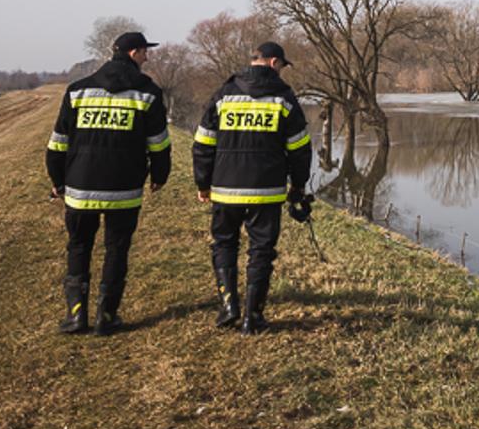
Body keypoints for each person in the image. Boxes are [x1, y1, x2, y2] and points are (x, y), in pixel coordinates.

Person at [45, 31, 172, 335]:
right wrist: (159, 176)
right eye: (144, 52)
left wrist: (58, 181)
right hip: (124, 189)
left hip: (80, 187)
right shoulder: (148, 93)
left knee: (79, 246)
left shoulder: (77, 91)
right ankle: (107, 316)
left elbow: (57, 144)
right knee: (117, 249)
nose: (147, 57)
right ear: (133, 54)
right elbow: (158, 144)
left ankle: (76, 316)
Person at [192, 41, 313, 334]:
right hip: (266, 189)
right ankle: (252, 317)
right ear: (273, 62)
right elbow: (299, 148)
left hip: (225, 186)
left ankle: (229, 306)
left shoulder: (224, 94)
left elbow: (203, 143)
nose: (282, 72)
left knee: (224, 244)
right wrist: (298, 186)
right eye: (282, 66)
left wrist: (203, 182)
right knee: (261, 250)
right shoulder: (284, 98)